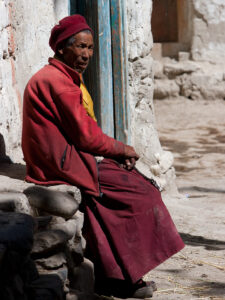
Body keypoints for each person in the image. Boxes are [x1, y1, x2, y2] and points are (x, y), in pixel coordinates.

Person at [22, 14, 184, 298]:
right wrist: (123, 149)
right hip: (59, 163)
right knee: (137, 193)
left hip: (61, 157)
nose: (86, 55)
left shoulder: (60, 76)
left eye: (90, 48)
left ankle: (119, 278)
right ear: (62, 48)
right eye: (80, 47)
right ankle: (121, 280)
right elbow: (86, 137)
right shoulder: (59, 82)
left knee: (123, 185)